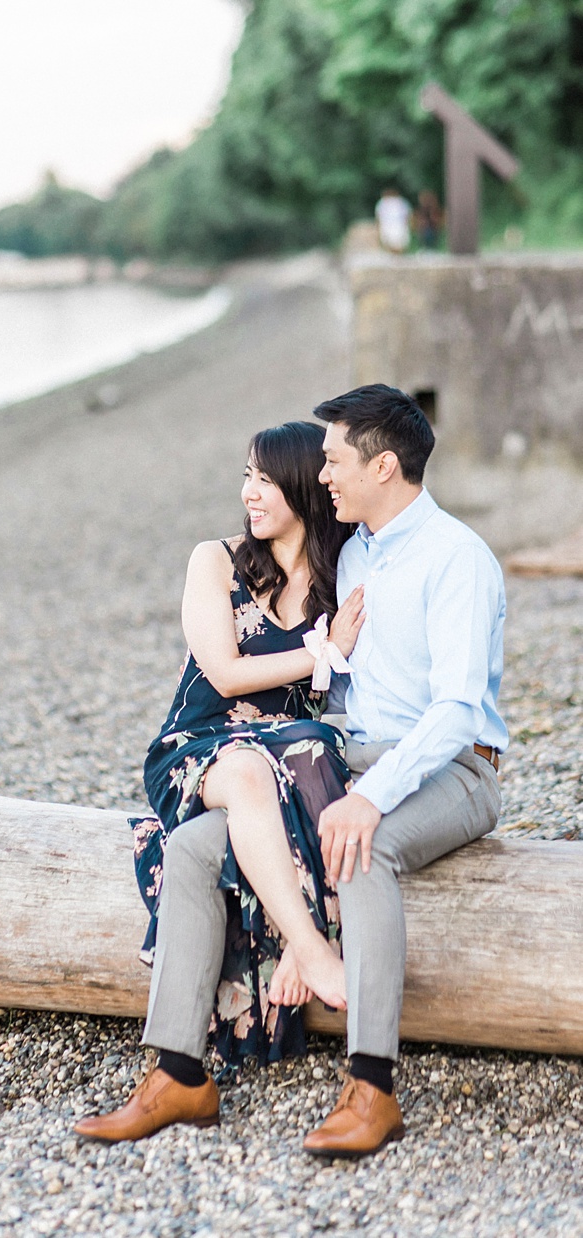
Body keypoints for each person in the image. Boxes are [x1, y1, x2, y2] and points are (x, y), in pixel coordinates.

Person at [79, 384, 507, 1159]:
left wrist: (367, 797)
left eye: (336, 459)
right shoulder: (353, 555)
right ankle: (179, 1070)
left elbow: (458, 714)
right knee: (194, 849)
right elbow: (324, 689)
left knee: (361, 845)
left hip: (453, 770)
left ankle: (372, 1086)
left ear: (383, 466)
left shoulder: (457, 559)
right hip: (345, 757)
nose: (327, 474)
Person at [83, 423, 362, 1142]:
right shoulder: (215, 561)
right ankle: (311, 948)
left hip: (286, 773)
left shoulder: (344, 580)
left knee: (193, 851)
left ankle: (178, 1075)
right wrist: (322, 652)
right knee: (247, 768)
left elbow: (351, 702)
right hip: (199, 753)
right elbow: (226, 673)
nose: (249, 493)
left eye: (266, 480)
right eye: (246, 477)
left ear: (305, 487)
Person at [376, 188, 412, 254]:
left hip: (397, 225)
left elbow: (407, 215)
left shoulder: (400, 202)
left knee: (398, 243)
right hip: (389, 225)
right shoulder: (383, 203)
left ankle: (397, 255)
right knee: (391, 242)